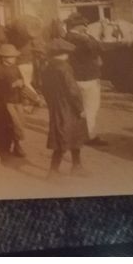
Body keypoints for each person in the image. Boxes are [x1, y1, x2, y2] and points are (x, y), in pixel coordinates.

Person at [42, 38, 89, 177]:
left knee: (69, 137)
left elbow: (44, 90)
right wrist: (80, 109)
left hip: (56, 107)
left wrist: (52, 104)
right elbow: (72, 90)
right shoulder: (64, 67)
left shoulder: (46, 67)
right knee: (65, 138)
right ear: (64, 53)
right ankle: (53, 171)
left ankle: (77, 166)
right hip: (69, 108)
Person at [64, 12, 107, 146]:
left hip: (75, 77)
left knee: (78, 108)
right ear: (79, 26)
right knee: (91, 107)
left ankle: (77, 133)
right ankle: (89, 136)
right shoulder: (82, 39)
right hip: (88, 78)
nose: (86, 27)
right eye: (84, 25)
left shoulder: (67, 37)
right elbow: (98, 47)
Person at [0, 43, 32, 157]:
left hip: (17, 100)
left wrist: (23, 93)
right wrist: (13, 85)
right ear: (4, 58)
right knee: (10, 124)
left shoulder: (15, 68)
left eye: (15, 56)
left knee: (19, 123)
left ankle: (17, 145)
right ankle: (4, 147)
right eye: (12, 57)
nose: (15, 58)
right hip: (6, 101)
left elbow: (21, 80)